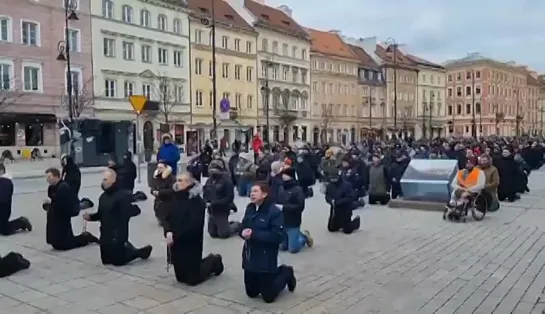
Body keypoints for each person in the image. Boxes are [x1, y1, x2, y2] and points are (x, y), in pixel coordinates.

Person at [240, 182, 297, 303]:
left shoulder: (274, 212)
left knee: (268, 297)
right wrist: (242, 232)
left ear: (265, 194)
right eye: (251, 191)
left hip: (265, 258)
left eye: (255, 191)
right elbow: (243, 225)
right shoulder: (250, 208)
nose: (252, 194)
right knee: (252, 293)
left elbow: (278, 236)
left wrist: (254, 234)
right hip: (250, 256)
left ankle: (286, 272)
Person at [164, 173, 224, 285]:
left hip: (190, 243)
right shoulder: (175, 197)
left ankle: (213, 261)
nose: (177, 183)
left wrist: (175, 236)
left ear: (189, 183)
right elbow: (167, 217)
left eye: (181, 180)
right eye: (177, 180)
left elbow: (194, 226)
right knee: (180, 278)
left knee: (192, 280)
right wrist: (168, 231)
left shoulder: (197, 202)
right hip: (177, 242)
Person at [83, 169, 152, 266]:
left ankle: (139, 252)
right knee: (106, 261)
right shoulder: (102, 197)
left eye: (105, 180)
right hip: (105, 236)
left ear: (113, 181)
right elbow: (101, 214)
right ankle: (128, 247)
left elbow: (131, 211)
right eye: (103, 179)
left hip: (117, 236)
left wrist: (133, 210)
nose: (103, 182)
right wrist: (91, 217)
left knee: (118, 261)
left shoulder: (122, 195)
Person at [44, 168, 98, 250]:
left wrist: (51, 203)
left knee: (66, 244)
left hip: (62, 217)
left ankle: (86, 237)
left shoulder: (63, 187)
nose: (47, 180)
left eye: (49, 177)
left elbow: (63, 203)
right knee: (56, 242)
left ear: (56, 177)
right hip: (54, 216)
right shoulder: (51, 188)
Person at [277, 167, 313, 253]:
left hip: (293, 221)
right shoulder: (281, 188)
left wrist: (284, 207)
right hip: (282, 221)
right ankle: (296, 235)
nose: (284, 176)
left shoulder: (297, 189)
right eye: (283, 174)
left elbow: (300, 206)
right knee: (282, 247)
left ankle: (304, 237)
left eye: (286, 174)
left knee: (293, 249)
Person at [203, 160, 240, 238]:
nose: (211, 171)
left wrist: (214, 203)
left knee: (223, 234)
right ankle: (225, 225)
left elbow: (229, 198)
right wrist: (206, 201)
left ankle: (236, 225)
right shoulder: (209, 181)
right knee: (212, 233)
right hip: (212, 210)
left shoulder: (226, 180)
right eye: (211, 168)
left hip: (222, 209)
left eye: (214, 168)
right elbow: (205, 193)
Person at [0, 163, 32, 235]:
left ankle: (21, 222)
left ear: (1, 171)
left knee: (4, 230)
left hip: (3, 209)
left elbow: (3, 199)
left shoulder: (6, 182)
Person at [151, 161, 175, 226]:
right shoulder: (156, 177)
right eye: (158, 167)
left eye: (161, 167)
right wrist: (153, 191)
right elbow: (153, 186)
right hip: (158, 200)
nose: (159, 169)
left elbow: (172, 190)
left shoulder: (171, 178)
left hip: (167, 201)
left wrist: (160, 192)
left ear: (165, 168)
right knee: (158, 212)